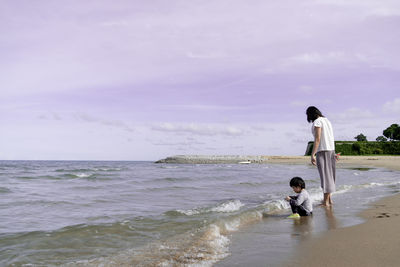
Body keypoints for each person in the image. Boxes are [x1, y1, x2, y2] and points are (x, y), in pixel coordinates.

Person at [306, 106, 337, 206]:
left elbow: (317, 139)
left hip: (323, 151)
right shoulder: (327, 121)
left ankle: (326, 202)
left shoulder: (318, 122)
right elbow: (330, 137)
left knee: (325, 177)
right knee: (330, 176)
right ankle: (329, 200)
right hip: (331, 150)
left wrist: (313, 154)